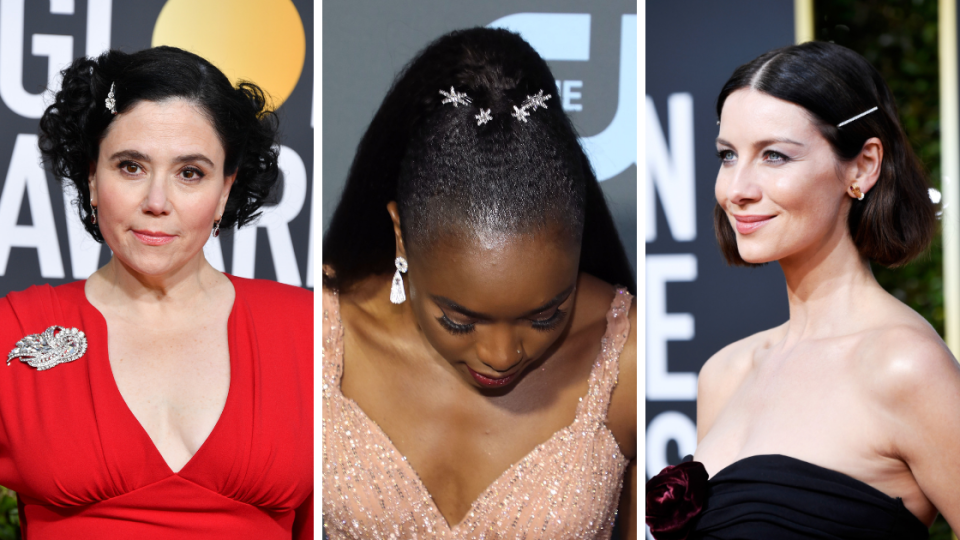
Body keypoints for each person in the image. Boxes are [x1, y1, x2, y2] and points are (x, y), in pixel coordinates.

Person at [322, 28, 637, 539]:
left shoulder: (627, 358)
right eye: (459, 319)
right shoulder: (315, 331)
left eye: (545, 315)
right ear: (402, 236)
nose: (501, 353)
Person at [646, 41, 960, 539]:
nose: (738, 188)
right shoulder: (723, 375)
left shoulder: (905, 367)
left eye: (774, 155)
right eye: (728, 156)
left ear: (862, 167)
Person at [0, 46, 313, 539]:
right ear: (91, 175)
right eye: (130, 166)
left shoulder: (308, 330)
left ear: (226, 189)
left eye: (190, 173)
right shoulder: (14, 329)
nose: (156, 203)